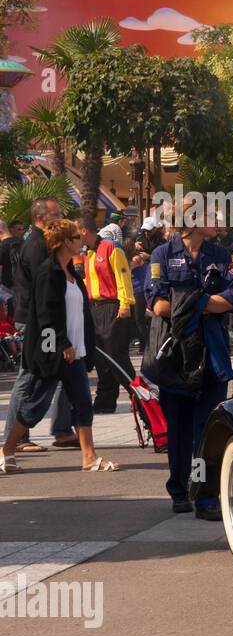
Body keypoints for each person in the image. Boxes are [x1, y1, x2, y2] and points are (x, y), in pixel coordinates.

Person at [1, 219, 117, 474]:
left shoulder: (71, 271)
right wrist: (61, 345)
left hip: (74, 352)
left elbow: (78, 313)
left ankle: (89, 457)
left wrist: (82, 345)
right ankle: (7, 449)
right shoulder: (48, 272)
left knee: (83, 402)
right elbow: (46, 314)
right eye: (77, 237)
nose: (82, 240)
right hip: (53, 352)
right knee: (36, 405)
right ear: (66, 241)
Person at [146, 219, 233, 516]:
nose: (218, 221)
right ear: (193, 221)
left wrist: (186, 303)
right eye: (211, 215)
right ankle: (178, 490)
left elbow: (232, 298)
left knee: (208, 429)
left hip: (213, 352)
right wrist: (204, 303)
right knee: (179, 428)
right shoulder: (161, 254)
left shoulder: (221, 255)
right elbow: (156, 304)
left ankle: (204, 496)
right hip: (176, 353)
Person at [5, 199, 76, 451]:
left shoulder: (41, 243)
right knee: (31, 375)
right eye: (54, 214)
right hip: (36, 322)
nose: (59, 218)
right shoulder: (36, 245)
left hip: (40, 320)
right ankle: (16, 438)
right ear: (40, 218)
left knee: (62, 372)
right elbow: (44, 289)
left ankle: (62, 430)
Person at [76, 213, 136, 413]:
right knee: (101, 356)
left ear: (84, 231)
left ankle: (138, 396)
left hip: (113, 306)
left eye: (76, 232)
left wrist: (125, 304)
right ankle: (105, 400)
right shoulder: (87, 253)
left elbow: (123, 276)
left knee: (116, 355)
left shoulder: (111, 247)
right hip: (95, 308)